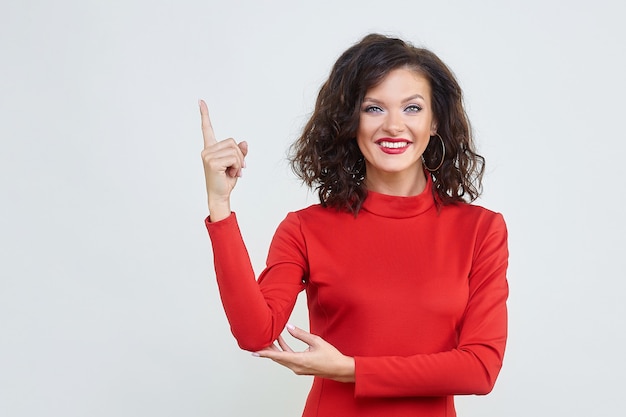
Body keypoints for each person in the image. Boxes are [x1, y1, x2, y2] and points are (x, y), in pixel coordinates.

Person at [199, 33, 509, 417]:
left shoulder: (481, 230)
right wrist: (220, 206)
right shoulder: (306, 228)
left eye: (412, 108)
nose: (394, 126)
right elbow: (254, 333)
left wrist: (353, 370)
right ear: (350, 122)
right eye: (373, 109)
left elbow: (480, 369)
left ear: (435, 122)